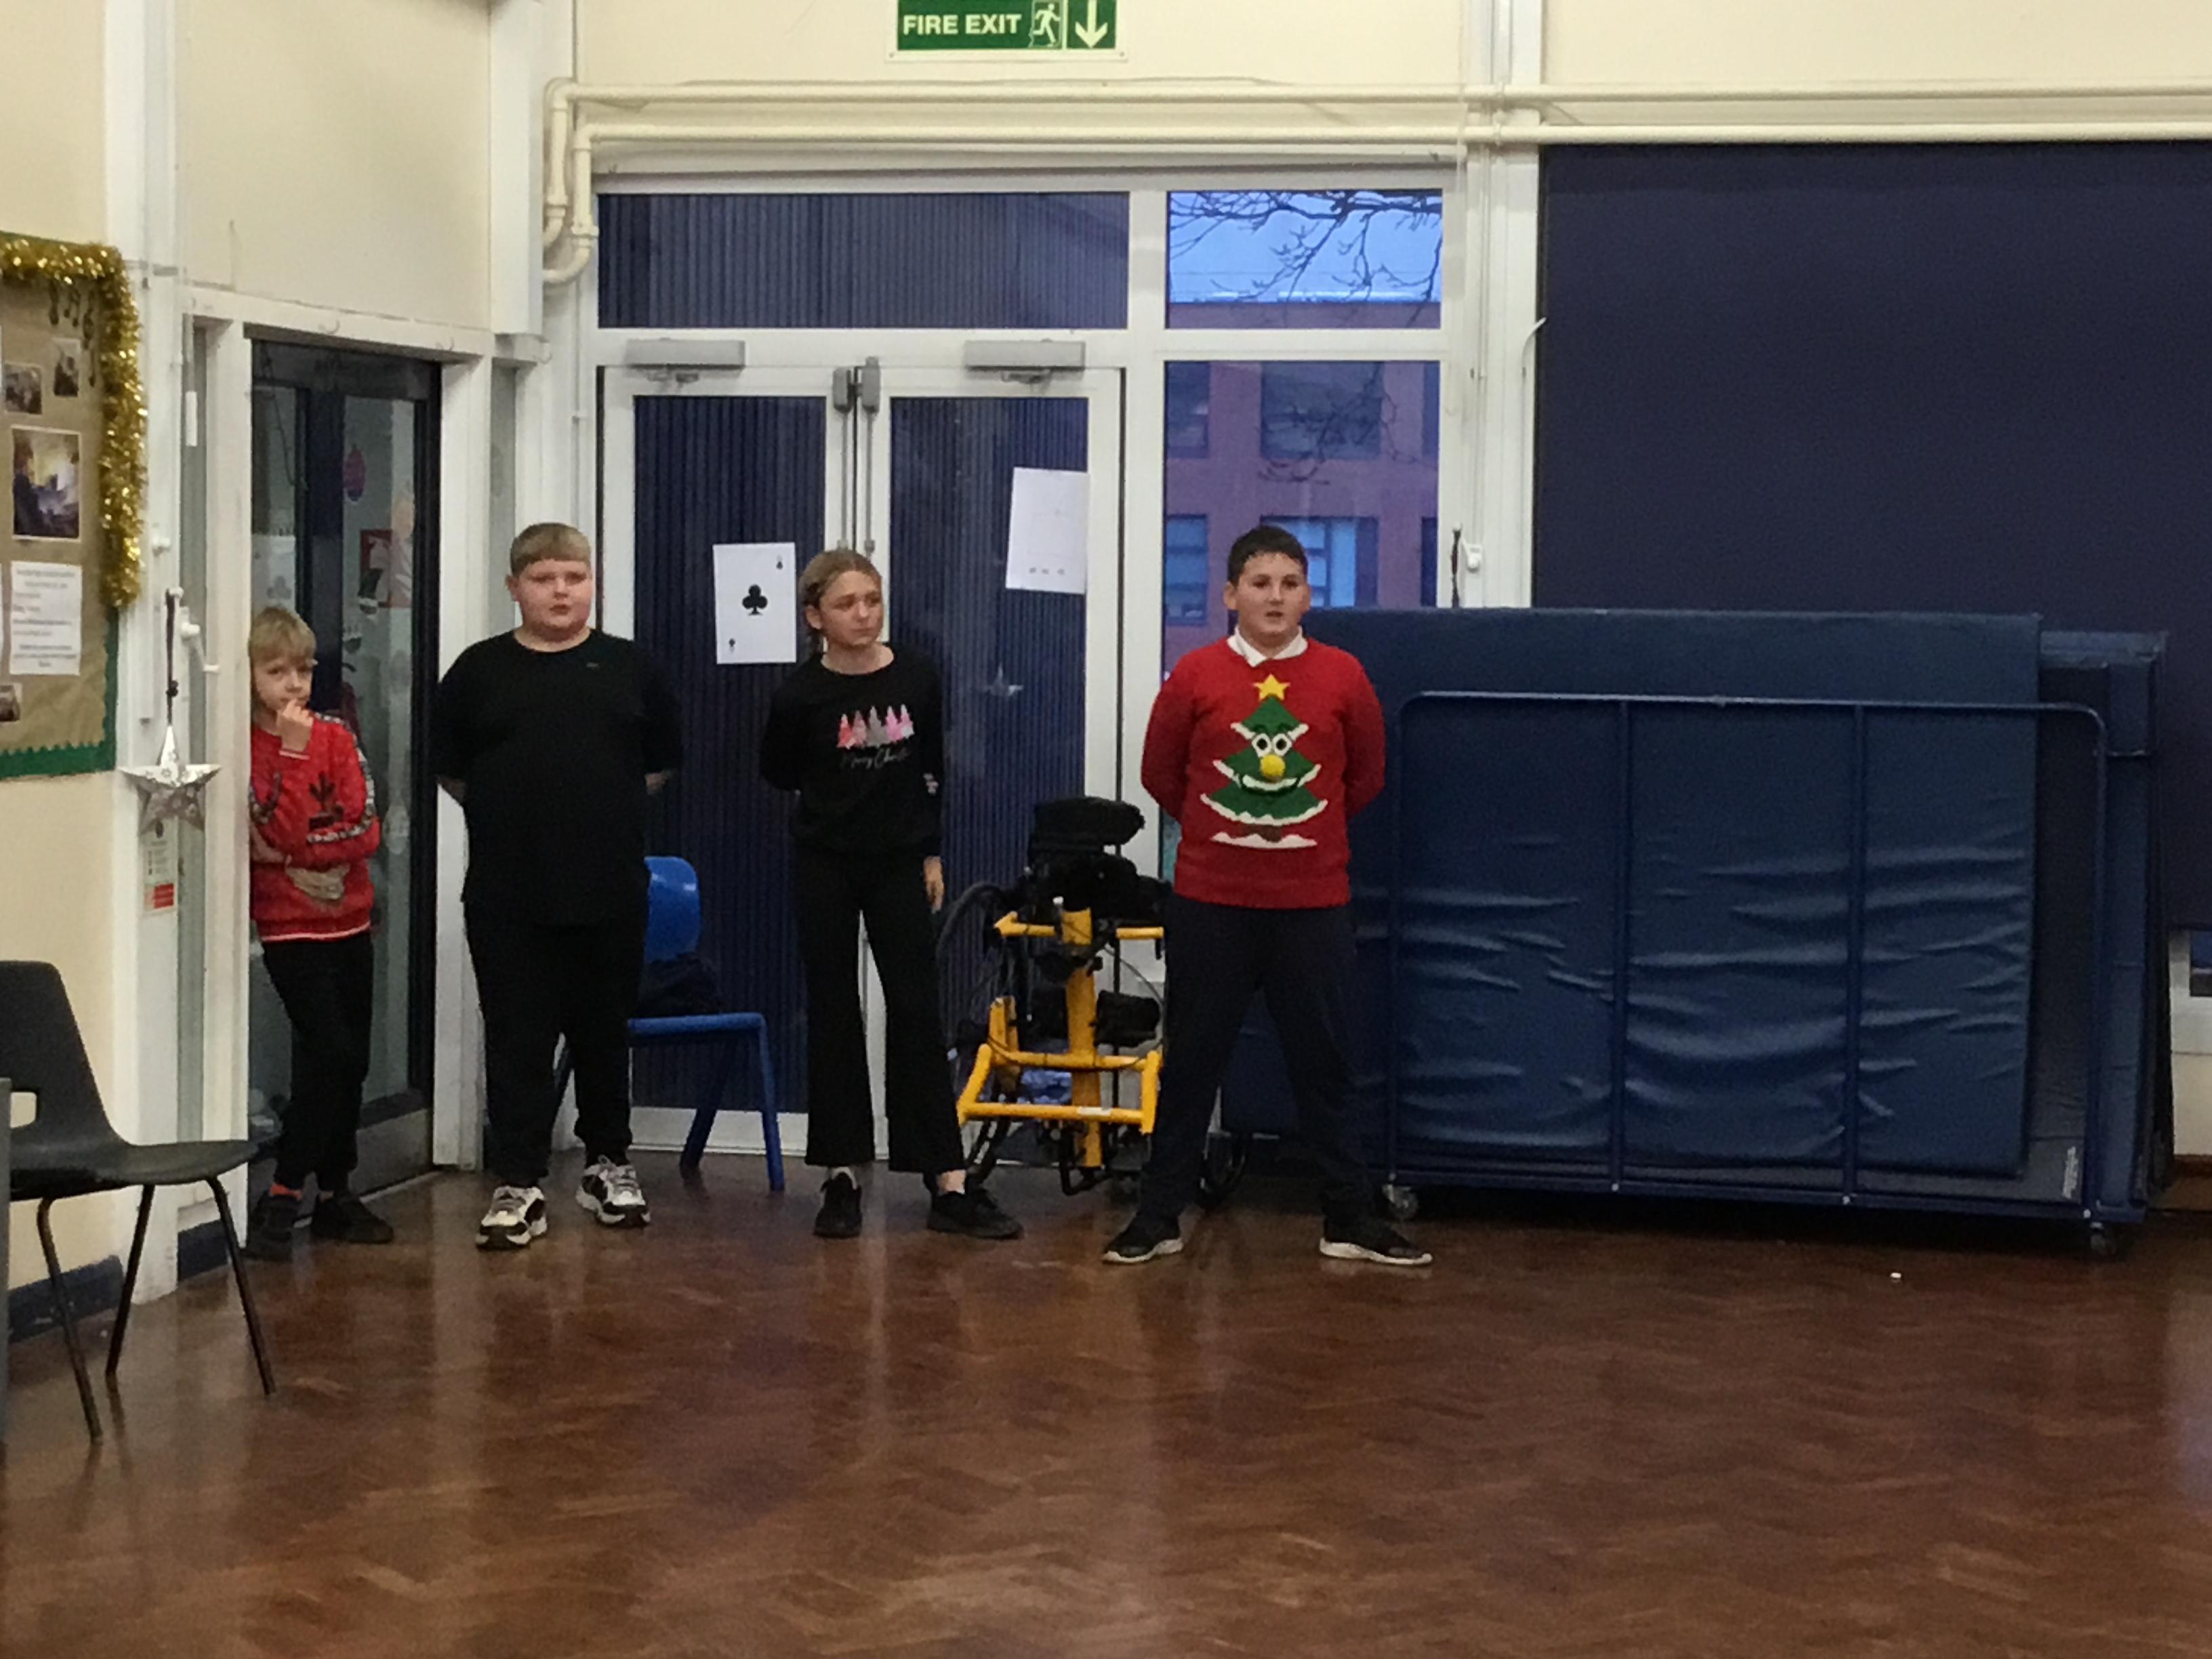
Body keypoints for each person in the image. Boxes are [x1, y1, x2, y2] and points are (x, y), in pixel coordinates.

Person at [1105, 524, 1431, 1267]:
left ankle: (1348, 1219)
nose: (1275, 598)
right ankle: (1158, 1217)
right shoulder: (1195, 676)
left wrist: (1299, 836)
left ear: (1308, 596)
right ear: (1231, 595)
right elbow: (1162, 775)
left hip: (1312, 906)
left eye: (1290, 584)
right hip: (1211, 904)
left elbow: (1365, 778)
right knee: (1191, 1065)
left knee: (1326, 1066)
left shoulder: (1344, 676)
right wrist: (1224, 834)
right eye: (1260, 584)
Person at [432, 523, 682, 1250]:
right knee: (517, 1038)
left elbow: (658, 766)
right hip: (509, 895)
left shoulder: (632, 668)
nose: (562, 592)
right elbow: (452, 770)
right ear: (516, 588)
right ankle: (519, 1182)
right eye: (544, 579)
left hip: (609, 890)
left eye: (575, 577)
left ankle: (609, 1164)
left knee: (604, 1033)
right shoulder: (478, 671)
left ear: (592, 583)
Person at [760, 549, 1021, 1243]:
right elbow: (779, 770)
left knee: (916, 1008)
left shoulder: (916, 675)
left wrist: (931, 851)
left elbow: (931, 767)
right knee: (833, 1010)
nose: (863, 614)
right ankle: (842, 1173)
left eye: (872, 600)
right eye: (847, 604)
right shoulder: (799, 695)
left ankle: (947, 1179)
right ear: (816, 617)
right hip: (825, 862)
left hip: (901, 861)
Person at [240, 606, 393, 1260]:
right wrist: (294, 759)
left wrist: (293, 854)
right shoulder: (248, 746)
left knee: (350, 1060)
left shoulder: (336, 734)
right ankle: (282, 1190)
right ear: (250, 676)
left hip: (350, 919)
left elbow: (364, 829)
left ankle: (335, 1192)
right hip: (289, 927)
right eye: (277, 672)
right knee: (327, 1052)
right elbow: (274, 827)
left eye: (302, 670)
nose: (294, 685)